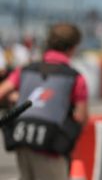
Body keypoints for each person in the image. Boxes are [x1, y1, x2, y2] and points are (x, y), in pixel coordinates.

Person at [0, 23, 89, 180]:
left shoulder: (26, 69)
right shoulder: (75, 78)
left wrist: (14, 98)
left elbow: (2, 92)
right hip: (51, 146)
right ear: (73, 47)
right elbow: (81, 118)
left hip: (22, 139)